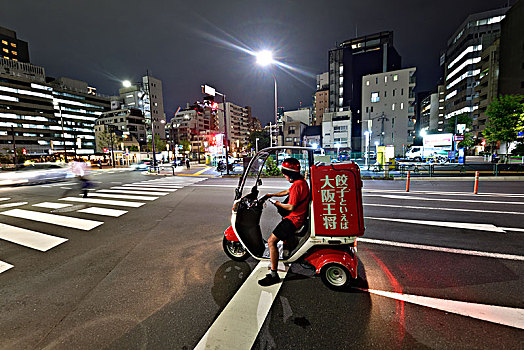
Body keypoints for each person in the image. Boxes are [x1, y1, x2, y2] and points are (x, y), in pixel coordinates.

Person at [258, 158, 309, 287]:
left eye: (285, 175)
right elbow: (287, 192)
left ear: (290, 174)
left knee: (271, 241)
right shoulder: (301, 182)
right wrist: (271, 195)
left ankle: (274, 274)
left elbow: (291, 207)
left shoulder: (297, 185)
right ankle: (287, 248)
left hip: (294, 219)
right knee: (279, 231)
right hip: (297, 217)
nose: (285, 177)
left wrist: (277, 203)